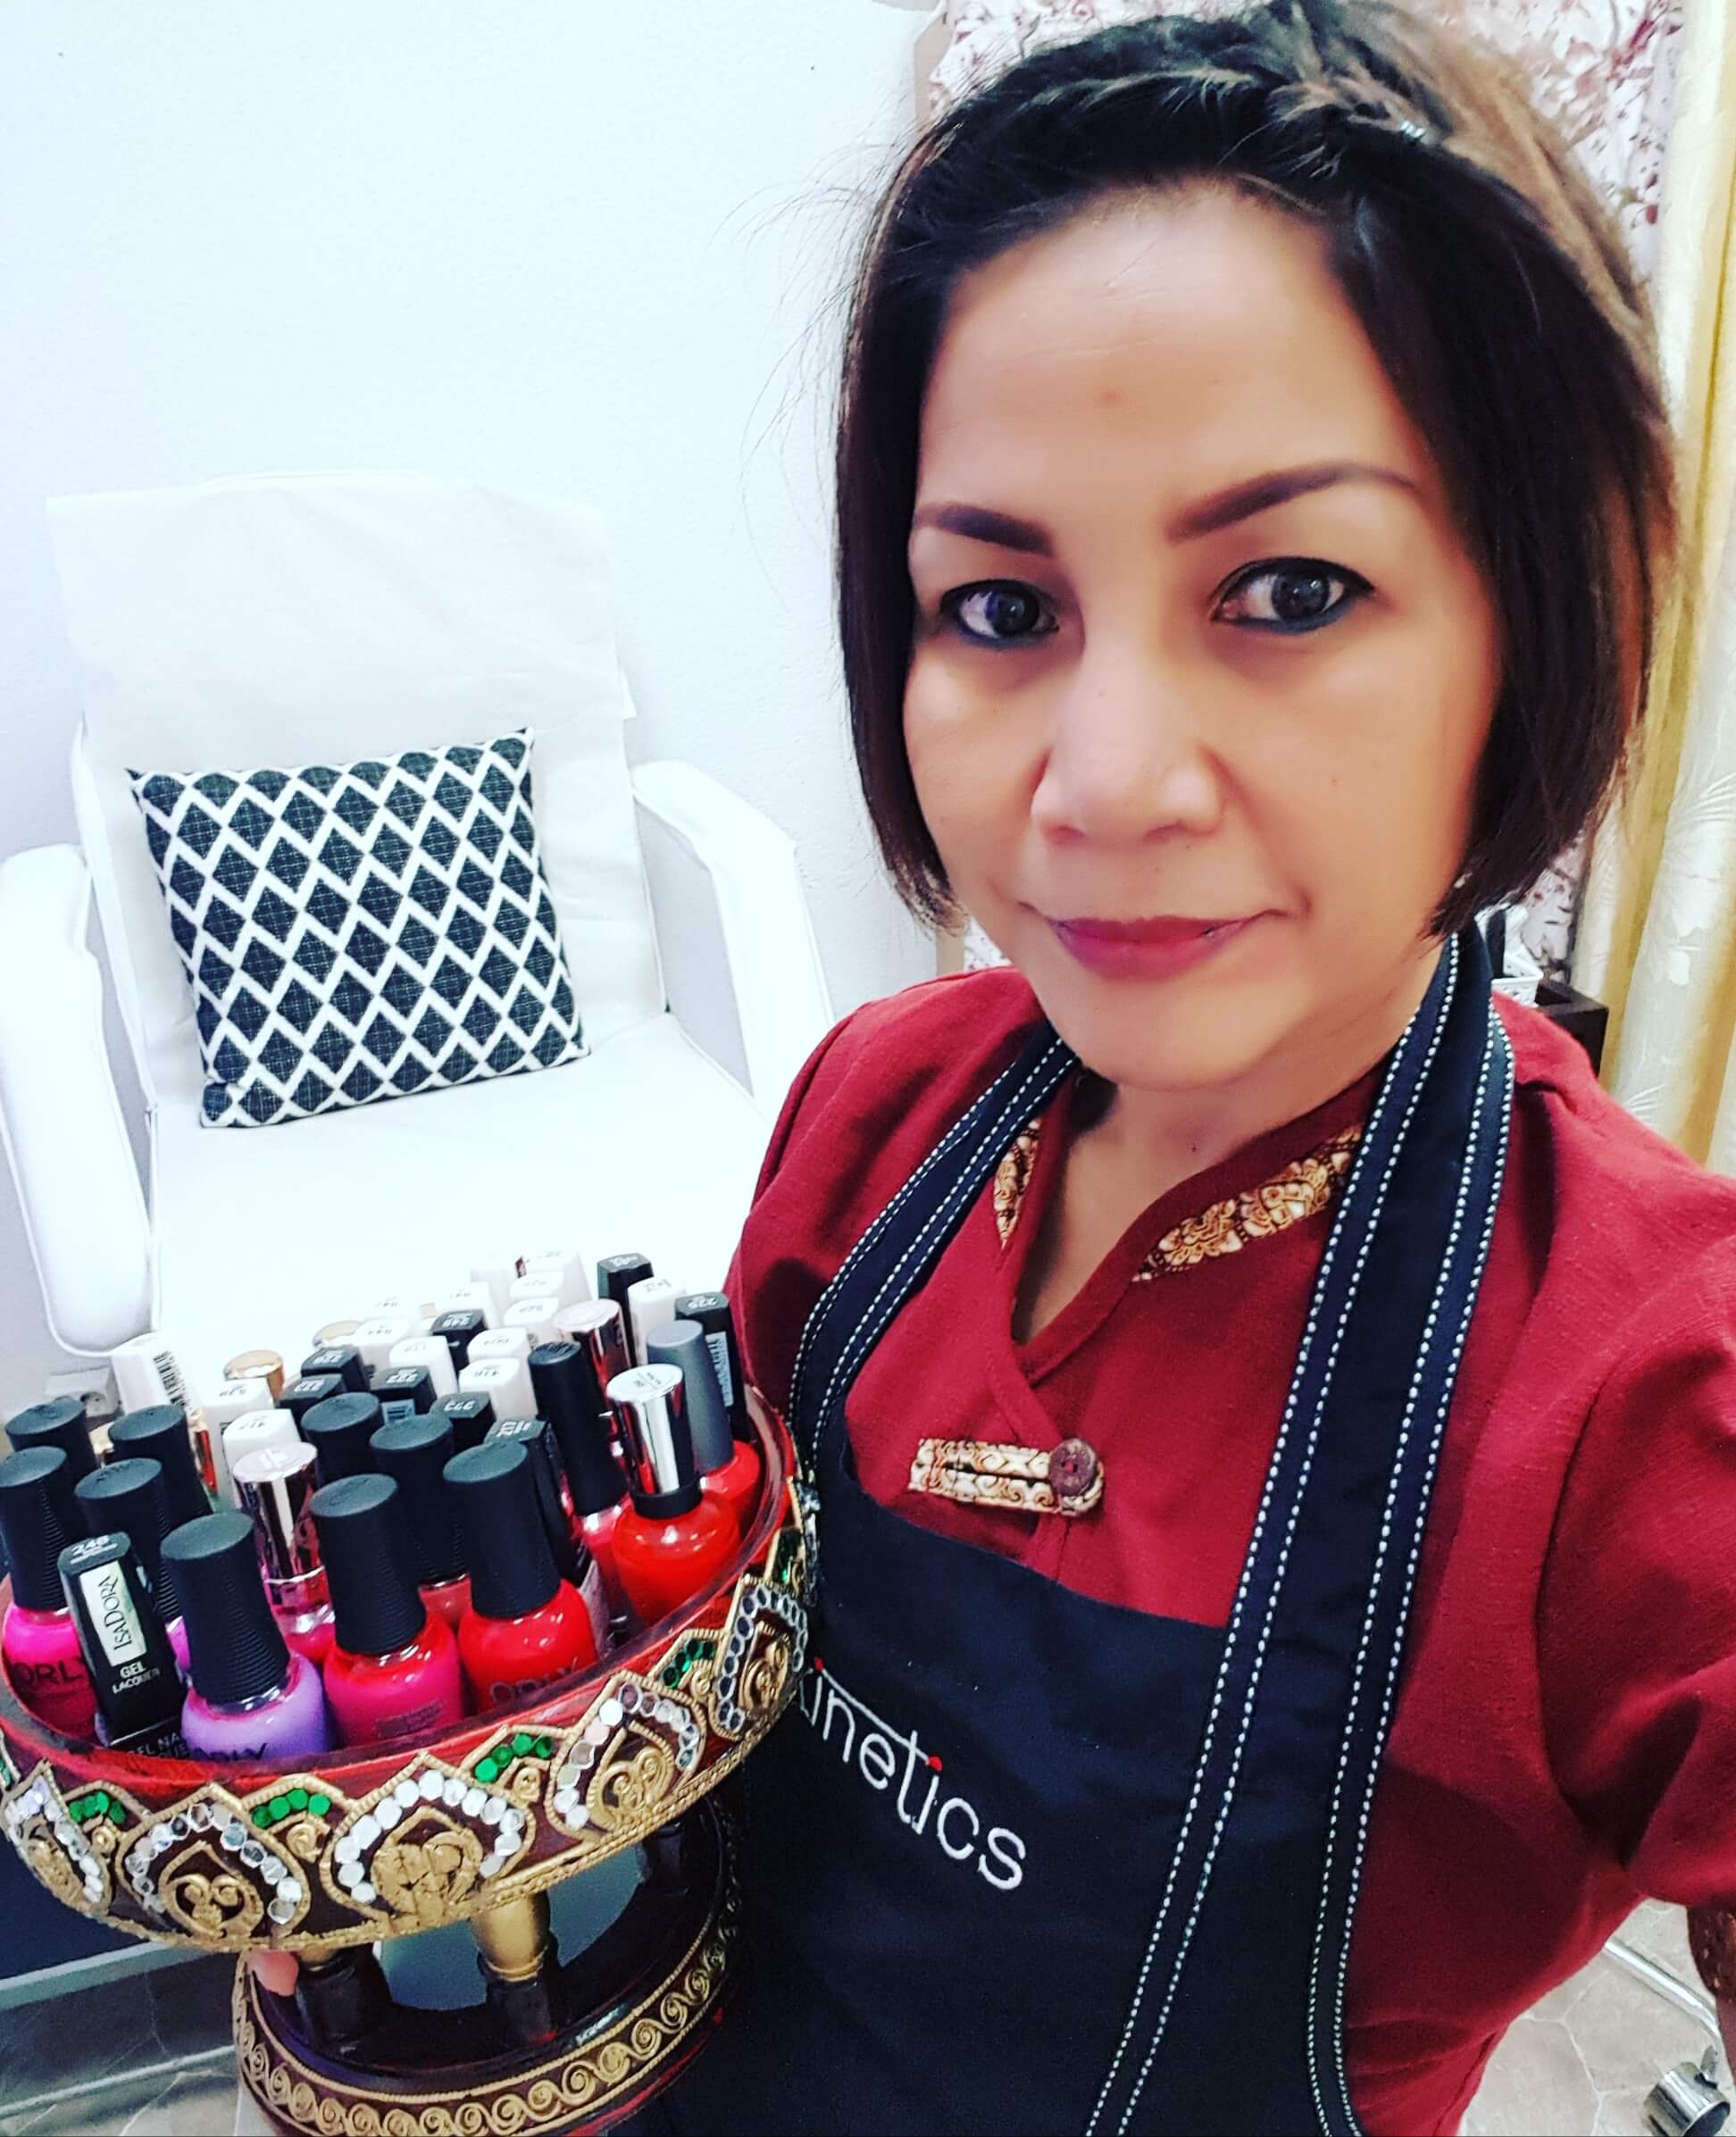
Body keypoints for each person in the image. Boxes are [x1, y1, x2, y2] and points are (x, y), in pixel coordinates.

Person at [655, 1, 1736, 2133]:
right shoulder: (871, 1114)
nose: (1107, 784)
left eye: (1291, 588)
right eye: (998, 609)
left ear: (1534, 625)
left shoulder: (1637, 1382)